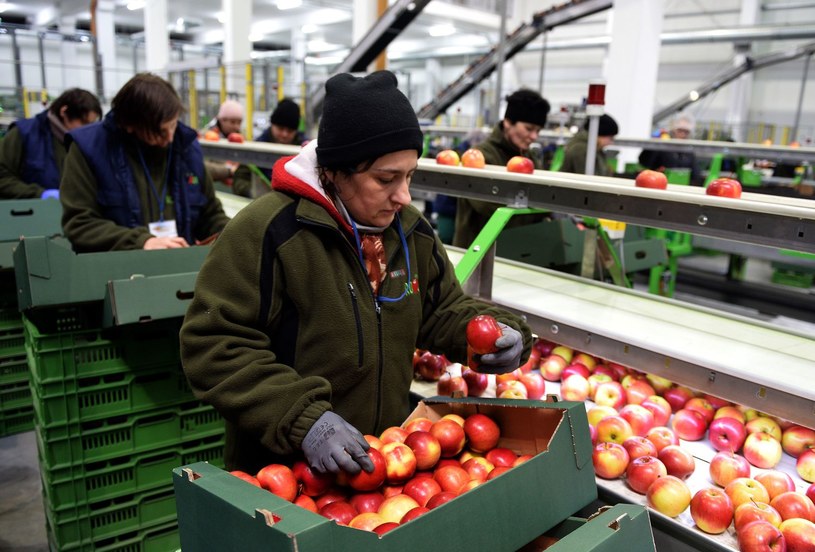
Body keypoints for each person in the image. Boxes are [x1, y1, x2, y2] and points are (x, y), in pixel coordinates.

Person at [179, 70, 533, 475]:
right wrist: (303, 419)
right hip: (288, 474)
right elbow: (213, 345)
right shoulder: (270, 232)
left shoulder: (409, 231)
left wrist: (499, 333)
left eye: (410, 176)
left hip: (381, 468)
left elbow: (441, 309)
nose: (404, 196)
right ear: (334, 171)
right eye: (386, 179)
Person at [60, 73, 230, 252]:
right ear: (129, 124)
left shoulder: (185, 148)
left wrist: (236, 234)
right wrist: (140, 242)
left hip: (179, 267)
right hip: (116, 271)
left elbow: (211, 215)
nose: (170, 138)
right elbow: (80, 224)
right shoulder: (89, 149)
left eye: (173, 125)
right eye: (159, 131)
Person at [452, 89, 551, 248]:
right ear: (508, 122)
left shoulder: (530, 157)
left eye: (538, 131)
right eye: (529, 128)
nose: (534, 136)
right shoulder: (481, 156)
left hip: (514, 249)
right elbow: (488, 206)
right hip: (478, 252)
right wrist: (540, 207)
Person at [0, 88, 102, 199]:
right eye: (84, 122)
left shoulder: (85, 142)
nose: (88, 129)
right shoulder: (24, 134)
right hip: (33, 212)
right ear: (64, 112)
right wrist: (38, 194)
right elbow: (3, 177)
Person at [232, 98, 306, 198]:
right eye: (281, 128)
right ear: (272, 125)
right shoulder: (257, 148)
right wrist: (252, 192)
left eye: (290, 130)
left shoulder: (305, 150)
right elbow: (240, 178)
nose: (284, 134)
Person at [638, 113, 699, 185]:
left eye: (686, 132)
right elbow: (644, 161)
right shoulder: (663, 145)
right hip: (657, 183)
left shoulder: (689, 152)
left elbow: (696, 174)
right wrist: (653, 144)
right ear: (673, 130)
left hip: (681, 186)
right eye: (680, 130)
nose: (682, 134)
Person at [202, 99, 245, 185]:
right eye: (232, 122)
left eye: (239, 122)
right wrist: (229, 170)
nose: (236, 127)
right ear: (222, 120)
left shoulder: (240, 137)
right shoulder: (208, 138)